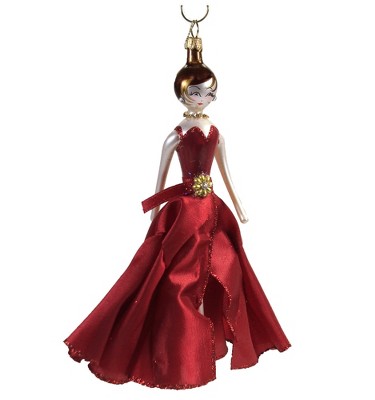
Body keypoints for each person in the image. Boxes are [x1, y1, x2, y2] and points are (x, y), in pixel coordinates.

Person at [64, 31, 290, 390]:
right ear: (183, 93)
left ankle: (211, 336)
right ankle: (182, 346)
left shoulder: (216, 133)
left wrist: (239, 205)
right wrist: (156, 214)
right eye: (197, 92)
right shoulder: (176, 135)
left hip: (212, 210)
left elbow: (227, 173)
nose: (204, 98)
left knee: (228, 267)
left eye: (209, 92)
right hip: (183, 212)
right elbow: (160, 178)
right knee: (176, 276)